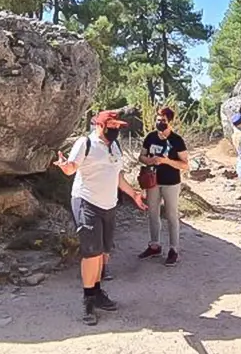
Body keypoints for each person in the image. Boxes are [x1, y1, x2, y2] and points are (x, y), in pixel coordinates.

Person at [54, 110, 148, 325]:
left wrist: (133, 194)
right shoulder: (85, 143)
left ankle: (96, 292)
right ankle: (88, 300)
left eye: (117, 126)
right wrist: (64, 166)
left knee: (104, 254)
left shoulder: (114, 146)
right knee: (92, 253)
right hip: (86, 202)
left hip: (109, 205)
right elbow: (71, 168)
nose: (115, 129)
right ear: (99, 125)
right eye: (111, 125)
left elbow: (117, 175)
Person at [138, 107, 189, 266]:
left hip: (171, 182)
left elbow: (184, 164)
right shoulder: (150, 137)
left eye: (163, 120)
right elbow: (141, 156)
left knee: (171, 215)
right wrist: (150, 161)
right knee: (153, 213)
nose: (160, 123)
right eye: (158, 120)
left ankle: (174, 249)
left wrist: (166, 161)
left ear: (170, 122)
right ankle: (155, 245)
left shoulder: (177, 140)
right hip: (152, 181)